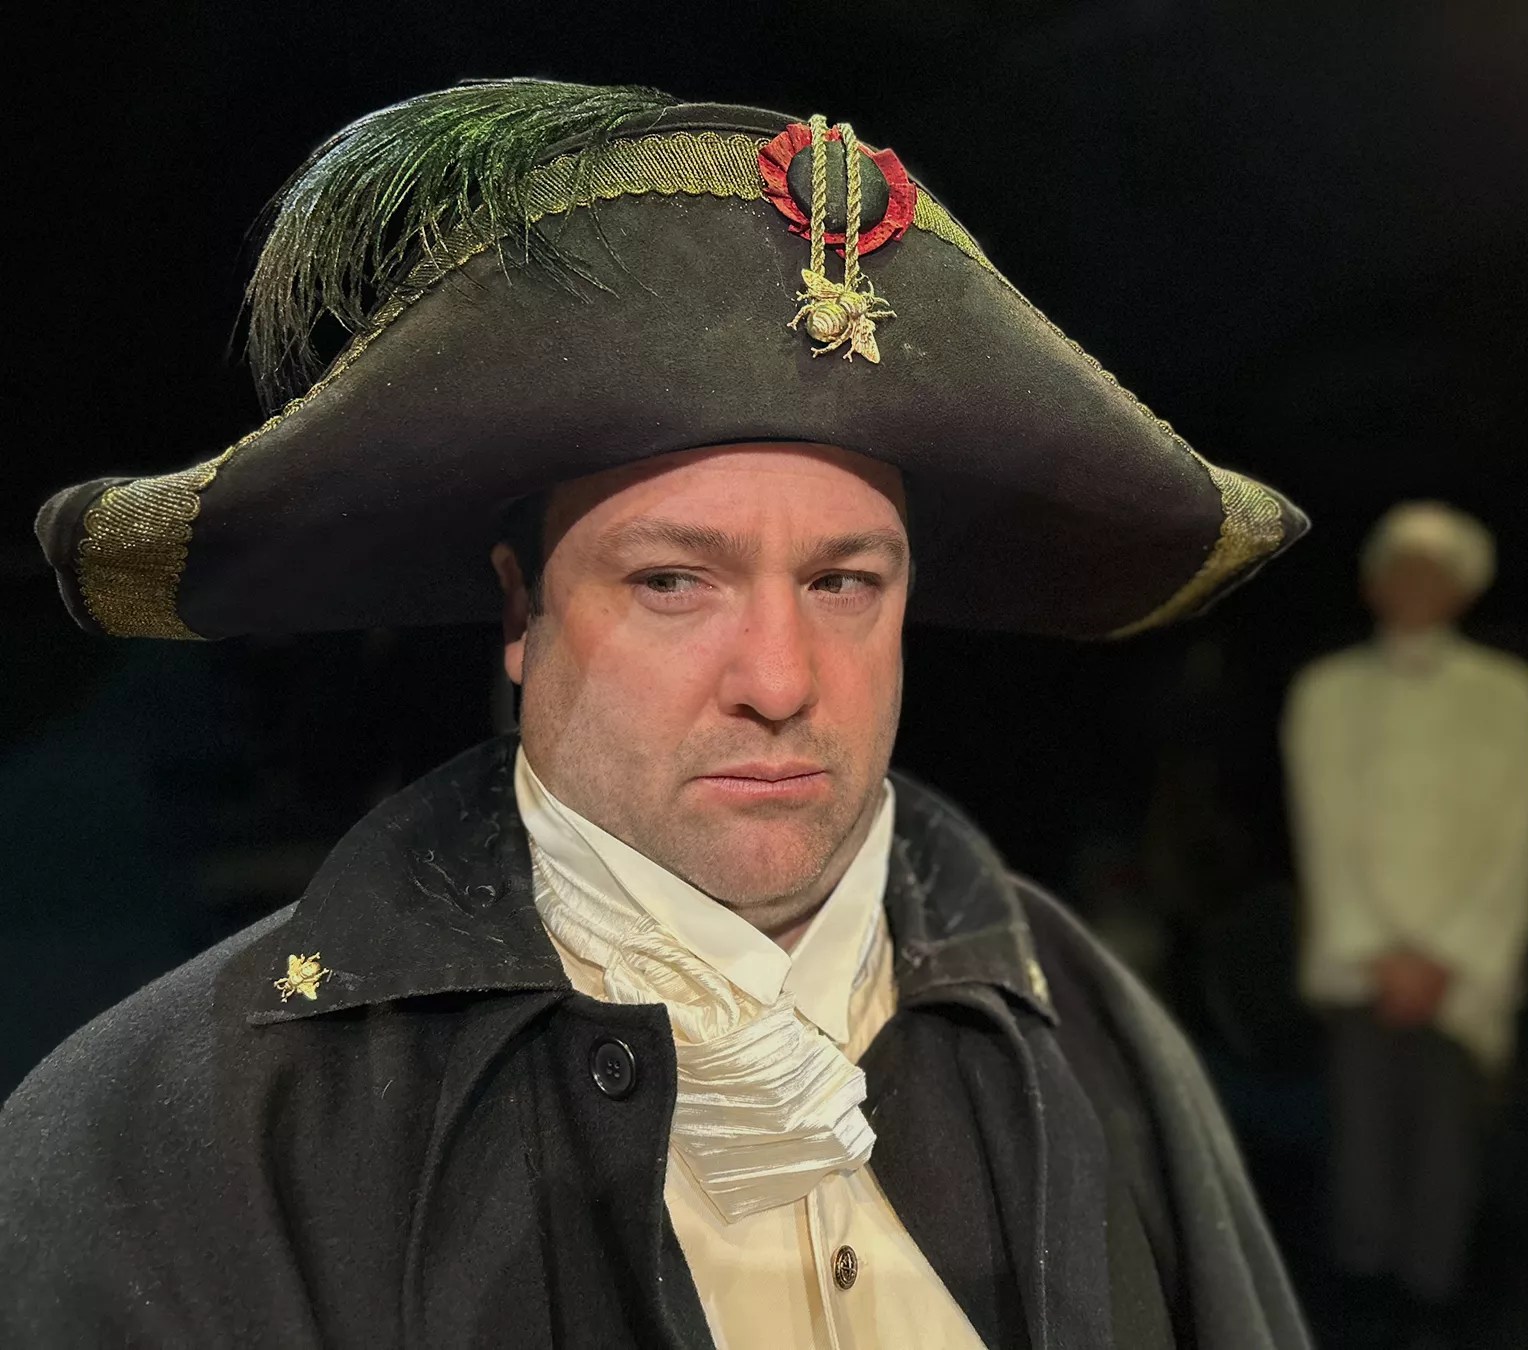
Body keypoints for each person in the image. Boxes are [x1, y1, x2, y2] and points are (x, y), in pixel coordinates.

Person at [4, 81, 1312, 1348]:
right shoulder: (176, 1139)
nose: (780, 681)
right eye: (674, 581)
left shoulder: (1084, 1023)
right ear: (521, 612)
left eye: (843, 582)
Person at [1282, 502, 1528, 1336]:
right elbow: (1323, 832)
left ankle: (1436, 1314)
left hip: (1460, 978)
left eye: (1434, 573)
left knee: (1448, 1161)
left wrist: (1449, 957)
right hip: (1361, 968)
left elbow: (1518, 840)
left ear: (1465, 589)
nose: (1414, 587)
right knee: (1358, 1157)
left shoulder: (1510, 695)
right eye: (1399, 569)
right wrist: (1376, 952)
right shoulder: (1326, 692)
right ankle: (1358, 1314)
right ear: (1372, 584)